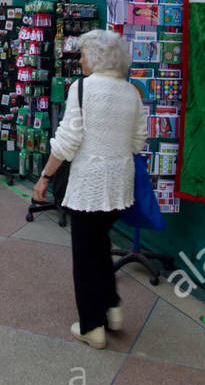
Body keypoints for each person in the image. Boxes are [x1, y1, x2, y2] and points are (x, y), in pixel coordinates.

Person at [33, 29, 147, 350]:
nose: (79, 58)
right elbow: (139, 141)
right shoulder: (132, 92)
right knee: (100, 243)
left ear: (96, 57)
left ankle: (92, 326)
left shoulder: (81, 89)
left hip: (89, 187)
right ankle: (112, 307)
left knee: (85, 255)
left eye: (82, 53)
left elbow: (67, 142)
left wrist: (44, 177)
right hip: (120, 187)